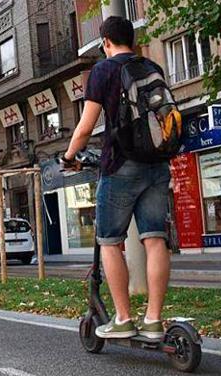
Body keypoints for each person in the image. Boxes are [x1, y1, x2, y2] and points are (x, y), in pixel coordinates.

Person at [62, 16, 171, 340]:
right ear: (133, 39)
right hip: (156, 161)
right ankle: (153, 320)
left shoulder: (103, 70)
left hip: (121, 163)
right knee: (155, 239)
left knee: (110, 241)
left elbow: (84, 127)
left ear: (105, 42)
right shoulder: (151, 66)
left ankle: (123, 318)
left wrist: (68, 158)